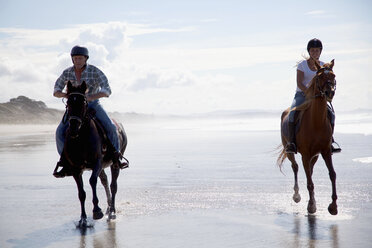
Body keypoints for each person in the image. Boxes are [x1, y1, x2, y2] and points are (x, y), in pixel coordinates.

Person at [53, 45, 127, 178]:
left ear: (86, 59)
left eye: (80, 58)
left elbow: (107, 90)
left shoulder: (94, 71)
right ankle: (65, 161)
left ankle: (116, 157)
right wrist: (67, 95)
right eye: (75, 58)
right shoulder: (67, 73)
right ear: (72, 59)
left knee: (110, 126)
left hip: (93, 105)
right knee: (59, 132)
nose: (78, 61)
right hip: (75, 107)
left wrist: (92, 96)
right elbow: (56, 91)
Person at [286, 38, 341, 154]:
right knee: (292, 114)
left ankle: (330, 141)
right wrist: (309, 93)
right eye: (312, 50)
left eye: (317, 50)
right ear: (309, 51)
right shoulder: (302, 65)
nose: (315, 52)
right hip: (302, 94)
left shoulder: (323, 66)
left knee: (331, 114)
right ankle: (291, 143)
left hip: (318, 96)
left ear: (320, 52)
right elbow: (299, 83)